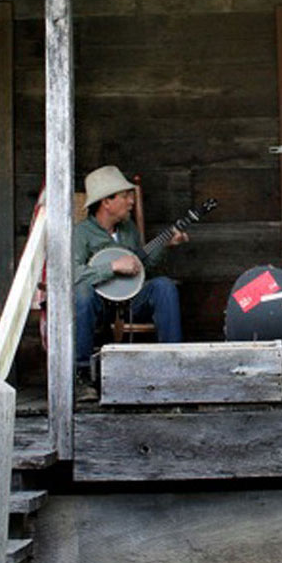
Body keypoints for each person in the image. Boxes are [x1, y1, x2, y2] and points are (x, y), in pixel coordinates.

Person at [73, 165, 187, 398]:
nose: (131, 201)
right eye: (125, 196)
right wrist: (112, 267)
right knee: (82, 293)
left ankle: (174, 367)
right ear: (107, 201)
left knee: (163, 286)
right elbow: (71, 274)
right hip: (99, 305)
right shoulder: (81, 234)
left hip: (130, 303)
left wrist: (165, 245)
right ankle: (81, 375)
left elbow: (140, 265)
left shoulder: (128, 229)